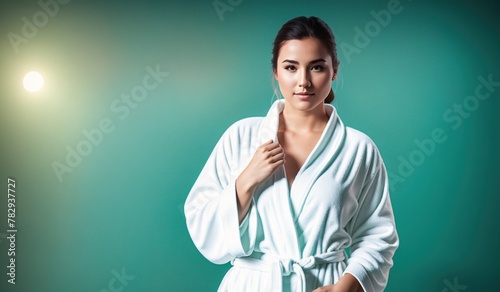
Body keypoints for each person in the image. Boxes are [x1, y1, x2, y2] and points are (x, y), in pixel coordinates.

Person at [184, 16, 398, 292]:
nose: (304, 81)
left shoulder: (358, 149)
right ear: (276, 71)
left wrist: (349, 286)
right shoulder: (242, 137)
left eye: (317, 67)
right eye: (291, 67)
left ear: (334, 71)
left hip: (325, 284)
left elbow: (378, 236)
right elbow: (202, 224)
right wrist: (244, 182)